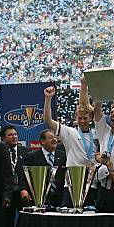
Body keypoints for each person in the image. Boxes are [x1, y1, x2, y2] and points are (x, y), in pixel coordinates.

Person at [43, 78, 98, 206]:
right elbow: (48, 120)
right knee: (68, 217)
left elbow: (85, 103)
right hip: (72, 181)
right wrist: (48, 99)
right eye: (79, 118)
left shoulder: (97, 134)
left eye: (85, 118)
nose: (82, 121)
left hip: (92, 182)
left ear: (91, 118)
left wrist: (84, 85)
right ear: (75, 118)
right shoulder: (70, 132)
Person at [0, 125, 30, 227]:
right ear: (3, 138)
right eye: (10, 135)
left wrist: (24, 188)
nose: (14, 136)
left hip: (22, 194)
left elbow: (28, 174)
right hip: (6, 195)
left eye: (15, 134)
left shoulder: (27, 152)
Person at [21, 129, 67, 208]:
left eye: (55, 137)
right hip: (39, 197)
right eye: (50, 138)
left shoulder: (63, 156)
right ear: (42, 141)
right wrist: (23, 189)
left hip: (60, 198)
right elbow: (24, 176)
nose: (54, 140)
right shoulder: (31, 156)